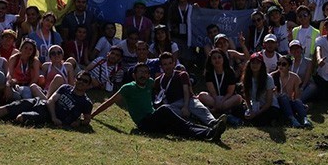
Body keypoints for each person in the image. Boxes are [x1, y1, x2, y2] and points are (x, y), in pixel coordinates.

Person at [91, 63, 227, 142]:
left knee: (179, 127)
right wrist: (92, 115)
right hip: (144, 123)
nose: (143, 75)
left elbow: (165, 81)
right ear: (134, 75)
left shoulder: (150, 83)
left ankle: (210, 133)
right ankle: (210, 132)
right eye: (140, 72)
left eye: (146, 72)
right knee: (166, 110)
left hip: (154, 119)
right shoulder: (128, 88)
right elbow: (109, 102)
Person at [0, 71, 94, 127]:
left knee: (21, 117)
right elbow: (51, 101)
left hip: (44, 116)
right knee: (11, 107)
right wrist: (54, 117)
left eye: (85, 81)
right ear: (75, 80)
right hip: (41, 104)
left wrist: (79, 122)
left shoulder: (86, 103)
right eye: (79, 79)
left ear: (88, 85)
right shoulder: (65, 88)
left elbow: (87, 120)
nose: (81, 82)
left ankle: (6, 118)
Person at [154, 52, 219, 126]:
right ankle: (192, 118)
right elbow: (158, 97)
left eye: (170, 63)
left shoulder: (182, 74)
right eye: (165, 64)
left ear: (174, 63)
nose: (168, 66)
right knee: (166, 110)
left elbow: (186, 91)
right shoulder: (158, 80)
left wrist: (185, 106)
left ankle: (213, 122)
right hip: (173, 104)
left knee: (197, 106)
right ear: (161, 66)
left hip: (187, 99)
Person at [198, 48, 243, 115]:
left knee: (238, 98)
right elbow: (212, 91)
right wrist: (217, 100)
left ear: (223, 59)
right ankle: (224, 109)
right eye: (214, 58)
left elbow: (230, 93)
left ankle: (214, 110)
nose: (217, 60)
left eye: (219, 57)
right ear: (211, 61)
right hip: (214, 98)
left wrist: (222, 101)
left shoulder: (230, 71)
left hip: (227, 98)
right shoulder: (209, 72)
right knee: (201, 95)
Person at [271, 55, 311, 128]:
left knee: (297, 101)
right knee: (283, 96)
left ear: (289, 66)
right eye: (279, 64)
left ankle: (304, 119)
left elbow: (296, 96)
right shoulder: (272, 76)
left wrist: (298, 103)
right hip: (276, 104)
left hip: (289, 102)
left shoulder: (294, 77)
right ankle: (292, 120)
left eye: (284, 64)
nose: (280, 66)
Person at [242, 52, 280, 126]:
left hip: (268, 107)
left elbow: (268, 102)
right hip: (255, 106)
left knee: (262, 118)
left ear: (262, 65)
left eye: (258, 63)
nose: (255, 65)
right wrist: (250, 110)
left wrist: (256, 113)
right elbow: (247, 97)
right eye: (253, 63)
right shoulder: (247, 77)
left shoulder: (268, 79)